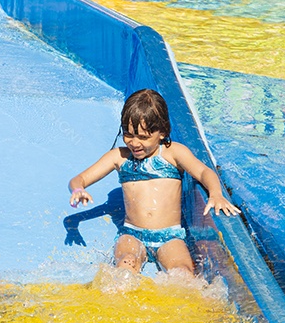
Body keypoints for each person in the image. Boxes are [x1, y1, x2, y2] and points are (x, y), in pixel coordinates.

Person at [68, 89, 240, 274]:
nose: (134, 143)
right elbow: (80, 178)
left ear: (162, 132)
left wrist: (216, 194)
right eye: (128, 134)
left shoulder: (174, 153)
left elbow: (205, 172)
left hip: (170, 236)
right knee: (125, 264)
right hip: (132, 234)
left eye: (143, 137)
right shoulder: (119, 157)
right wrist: (78, 189)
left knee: (182, 272)